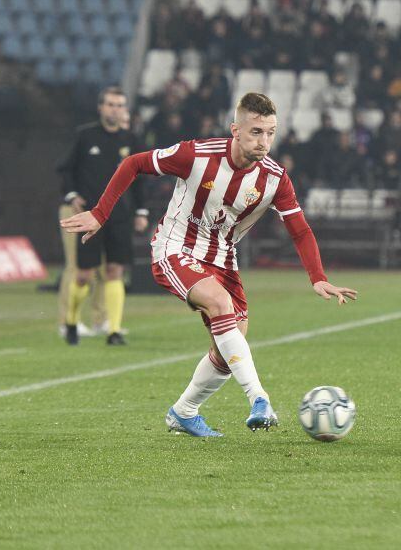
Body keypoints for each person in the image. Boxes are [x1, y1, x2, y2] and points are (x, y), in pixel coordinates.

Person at [60, 93, 357, 436]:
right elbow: (133, 164)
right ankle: (259, 398)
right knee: (220, 305)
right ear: (235, 130)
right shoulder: (196, 155)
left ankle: (184, 412)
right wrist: (100, 213)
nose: (265, 142)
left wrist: (317, 277)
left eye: (271, 133)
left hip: (223, 261)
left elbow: (300, 229)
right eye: (256, 132)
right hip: (175, 248)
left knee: (228, 348)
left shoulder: (275, 179)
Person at [56, 87, 149, 346]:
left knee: (114, 271)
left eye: (119, 105)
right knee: (83, 273)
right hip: (88, 215)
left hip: (119, 215)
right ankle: (71, 320)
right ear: (101, 107)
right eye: (110, 104)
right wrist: (72, 194)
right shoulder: (85, 136)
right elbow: (65, 170)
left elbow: (142, 179)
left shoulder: (132, 140)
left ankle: (113, 330)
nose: (114, 109)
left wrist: (141, 211)